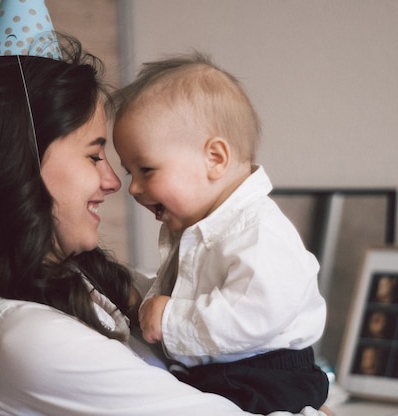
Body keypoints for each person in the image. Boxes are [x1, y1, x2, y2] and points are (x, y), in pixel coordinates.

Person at [0, 35, 327, 416]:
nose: (117, 183)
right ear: (20, 167)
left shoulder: (83, 282)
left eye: (142, 168)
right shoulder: (26, 342)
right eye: (95, 156)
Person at [112, 52, 329, 414]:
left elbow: (251, 316)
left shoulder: (259, 233)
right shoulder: (197, 227)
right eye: (129, 172)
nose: (132, 188)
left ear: (215, 158)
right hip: (223, 371)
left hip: (266, 377)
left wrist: (170, 319)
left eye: (146, 169)